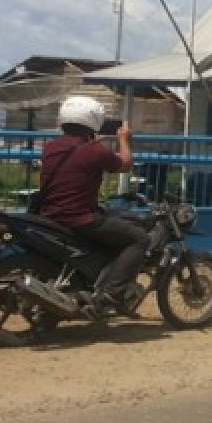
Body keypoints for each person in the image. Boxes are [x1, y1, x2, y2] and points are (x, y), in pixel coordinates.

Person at [39, 94, 146, 316]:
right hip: (80, 219)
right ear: (93, 122)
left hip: (49, 216)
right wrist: (124, 139)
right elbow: (125, 164)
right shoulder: (94, 150)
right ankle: (111, 293)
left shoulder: (50, 147)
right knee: (139, 238)